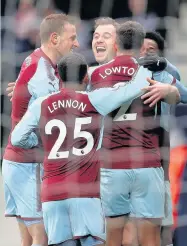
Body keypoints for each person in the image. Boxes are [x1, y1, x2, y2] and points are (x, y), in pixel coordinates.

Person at [10, 52, 156, 246]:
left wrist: (41, 146)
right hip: (86, 194)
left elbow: (17, 138)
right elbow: (135, 88)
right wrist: (147, 64)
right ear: (86, 77)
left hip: (53, 196)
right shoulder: (95, 100)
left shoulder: (41, 104)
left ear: (59, 77)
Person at [90, 21, 180, 246]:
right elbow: (182, 94)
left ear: (116, 46)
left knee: (114, 238)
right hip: (147, 163)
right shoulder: (153, 72)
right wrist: (172, 91)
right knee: (151, 239)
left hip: (113, 165)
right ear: (142, 48)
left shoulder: (97, 74)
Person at [2, 13, 79, 246]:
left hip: (17, 162)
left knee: (27, 239)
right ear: (54, 39)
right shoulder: (42, 72)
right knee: (42, 237)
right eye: (72, 38)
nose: (76, 43)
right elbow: (57, 121)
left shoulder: (39, 62)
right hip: (28, 166)